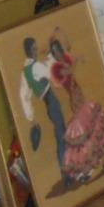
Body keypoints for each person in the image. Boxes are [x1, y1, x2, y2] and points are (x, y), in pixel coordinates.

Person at [47, 30, 104, 186]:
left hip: (79, 96)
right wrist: (76, 61)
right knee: (83, 133)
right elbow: (67, 71)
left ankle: (101, 163)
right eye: (55, 52)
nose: (58, 54)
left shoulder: (66, 59)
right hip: (74, 100)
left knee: (93, 128)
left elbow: (69, 53)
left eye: (59, 50)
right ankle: (84, 171)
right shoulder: (56, 67)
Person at [18, 35, 66, 172]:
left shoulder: (25, 71)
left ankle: (66, 167)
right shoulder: (36, 66)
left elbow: (23, 96)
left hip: (47, 104)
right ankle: (65, 169)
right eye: (34, 48)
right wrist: (51, 57)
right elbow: (50, 73)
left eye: (36, 47)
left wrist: (31, 117)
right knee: (61, 133)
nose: (36, 50)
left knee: (61, 132)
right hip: (52, 101)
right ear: (28, 50)